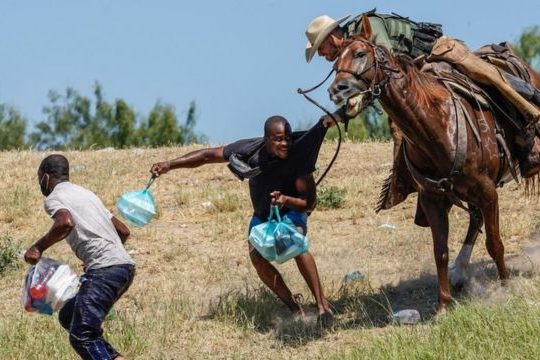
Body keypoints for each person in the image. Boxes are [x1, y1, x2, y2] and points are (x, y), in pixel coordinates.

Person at [304, 10, 540, 178]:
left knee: (484, 77)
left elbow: (386, 66)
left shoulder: (366, 29)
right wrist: (342, 113)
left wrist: (350, 106)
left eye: (322, 48)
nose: (323, 55)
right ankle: (410, 179)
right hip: (413, 75)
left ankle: (529, 125)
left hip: (435, 53)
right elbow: (372, 86)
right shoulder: (349, 57)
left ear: (332, 37)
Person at [150, 113, 340, 324]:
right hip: (262, 216)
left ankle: (323, 307)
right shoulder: (249, 150)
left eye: (287, 138)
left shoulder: (299, 157)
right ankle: (295, 309)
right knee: (257, 259)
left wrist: (285, 199)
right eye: (278, 139)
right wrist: (170, 164)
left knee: (294, 243)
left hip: (292, 211)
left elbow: (310, 204)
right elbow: (207, 156)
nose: (284, 143)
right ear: (266, 139)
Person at [24, 154, 134, 360]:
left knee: (82, 336)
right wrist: (101, 256)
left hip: (105, 270)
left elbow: (65, 222)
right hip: (124, 267)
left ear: (45, 176)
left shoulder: (55, 197)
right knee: (70, 316)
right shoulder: (87, 194)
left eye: (39, 177)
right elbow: (123, 231)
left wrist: (37, 248)